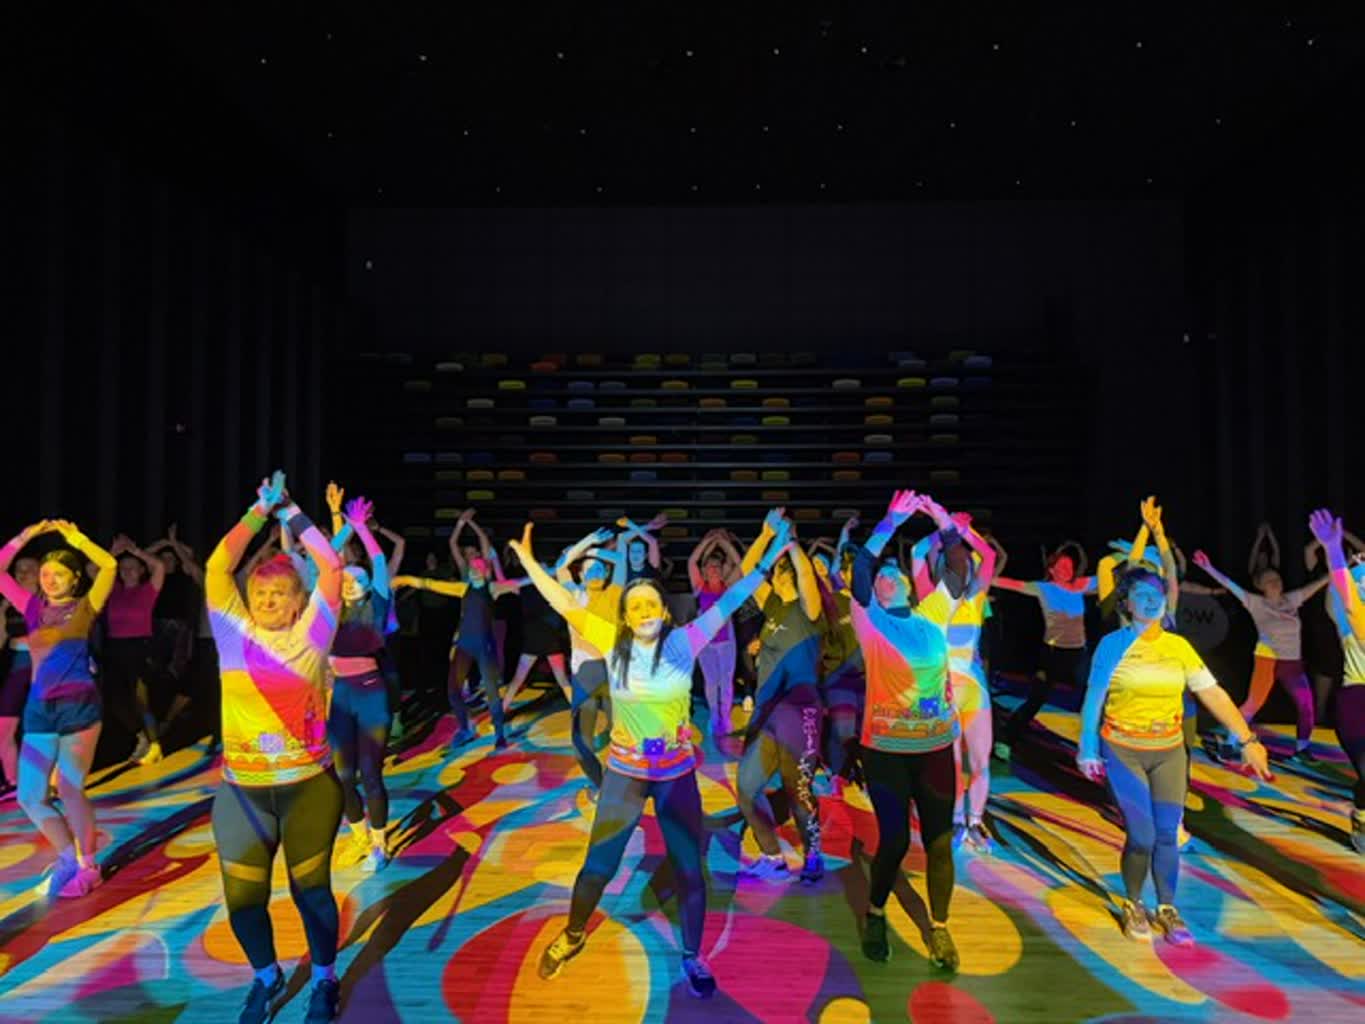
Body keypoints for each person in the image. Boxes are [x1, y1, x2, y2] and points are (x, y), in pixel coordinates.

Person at [510, 514, 791, 998]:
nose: (643, 609)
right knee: (598, 867)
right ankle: (573, 933)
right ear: (625, 616)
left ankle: (692, 955)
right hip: (625, 774)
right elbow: (560, 599)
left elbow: (733, 598)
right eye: (635, 604)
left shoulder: (686, 641)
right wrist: (527, 561)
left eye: (651, 603)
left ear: (664, 612)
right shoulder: (610, 641)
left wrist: (768, 559)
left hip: (676, 776)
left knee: (689, 870)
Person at [205, 471, 344, 1023]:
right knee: (242, 900)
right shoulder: (232, 635)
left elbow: (331, 567)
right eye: (259, 593)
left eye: (278, 594)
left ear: (297, 603)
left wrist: (290, 512)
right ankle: (267, 977)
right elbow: (218, 567)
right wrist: (256, 512)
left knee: (311, 891)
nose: (266, 600)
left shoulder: (314, 635)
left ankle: (326, 979)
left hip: (307, 788)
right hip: (242, 793)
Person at [1077, 567, 1273, 944]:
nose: (1152, 600)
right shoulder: (1112, 645)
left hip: (1168, 753)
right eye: (1142, 594)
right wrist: (1086, 748)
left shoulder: (1179, 647)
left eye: (1157, 593)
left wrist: (1248, 740)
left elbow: (1212, 693)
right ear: (1126, 603)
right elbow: (1093, 700)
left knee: (1168, 834)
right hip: (1123, 751)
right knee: (1142, 836)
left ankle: (1167, 907)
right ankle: (1134, 903)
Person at [850, 491, 959, 970]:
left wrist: (943, 521)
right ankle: (875, 913)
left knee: (939, 842)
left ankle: (940, 927)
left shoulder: (933, 617)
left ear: (912, 588)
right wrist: (890, 522)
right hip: (886, 751)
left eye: (896, 575)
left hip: (935, 749)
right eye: (883, 577)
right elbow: (861, 568)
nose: (888, 578)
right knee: (894, 840)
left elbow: (958, 570)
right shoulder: (869, 621)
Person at [0, 520, 116, 899]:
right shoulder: (33, 607)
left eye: (59, 574)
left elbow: (110, 566)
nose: (50, 580)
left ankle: (89, 867)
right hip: (40, 711)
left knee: (69, 788)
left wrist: (76, 539)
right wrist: (26, 536)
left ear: (75, 579)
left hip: (78, 711)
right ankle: (67, 856)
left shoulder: (85, 607)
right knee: (29, 795)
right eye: (45, 573)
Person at [735, 509, 826, 884]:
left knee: (798, 792)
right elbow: (746, 570)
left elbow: (806, 576)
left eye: (782, 570)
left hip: (800, 714)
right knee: (746, 788)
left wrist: (791, 544)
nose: (778, 574)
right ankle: (772, 854)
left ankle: (813, 854)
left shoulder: (809, 610)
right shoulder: (772, 603)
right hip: (767, 714)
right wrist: (764, 534)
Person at [910, 497, 998, 853]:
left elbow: (988, 556)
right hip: (940, 690)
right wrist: (940, 529)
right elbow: (917, 552)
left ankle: (975, 820)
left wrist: (964, 530)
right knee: (951, 763)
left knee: (980, 761)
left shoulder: (977, 598)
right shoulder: (930, 597)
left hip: (973, 688)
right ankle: (957, 820)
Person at [391, 509, 519, 748]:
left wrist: (552, 573)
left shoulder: (492, 588)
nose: (473, 568)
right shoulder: (462, 587)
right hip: (464, 643)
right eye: (472, 567)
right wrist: (405, 579)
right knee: (453, 690)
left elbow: (526, 581)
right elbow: (430, 584)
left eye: (478, 566)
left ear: (485, 571)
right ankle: (465, 727)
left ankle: (500, 733)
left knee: (492, 692)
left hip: (484, 646)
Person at [1191, 540, 1328, 760]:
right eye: (1269, 580)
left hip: (1292, 662)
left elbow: (1319, 583)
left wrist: (1342, 568)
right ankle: (1230, 743)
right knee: (1253, 705)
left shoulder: (1292, 599)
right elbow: (1231, 585)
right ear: (1260, 586)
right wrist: (1208, 568)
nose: (1275, 583)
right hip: (1267, 659)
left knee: (1306, 705)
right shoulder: (1256, 603)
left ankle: (1302, 748)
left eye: (1277, 579)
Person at [328, 497, 397, 872]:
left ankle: (380, 845)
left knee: (371, 773)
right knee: (341, 776)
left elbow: (380, 561)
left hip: (371, 693)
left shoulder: (378, 603)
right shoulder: (332, 608)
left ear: (369, 584)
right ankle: (359, 837)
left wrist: (361, 528)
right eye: (346, 578)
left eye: (358, 578)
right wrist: (344, 529)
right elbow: (325, 560)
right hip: (341, 695)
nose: (351, 582)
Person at [992, 540, 1098, 759]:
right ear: (1051, 570)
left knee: (1092, 696)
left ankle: (1093, 746)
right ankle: (1005, 739)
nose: (1066, 570)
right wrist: (983, 579)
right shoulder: (1044, 589)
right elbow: (1011, 583)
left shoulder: (1080, 585)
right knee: (1036, 699)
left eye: (1069, 566)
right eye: (1061, 566)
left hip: (1078, 654)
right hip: (1052, 654)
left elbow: (1110, 577)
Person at [1306, 509, 1365, 853]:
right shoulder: (1355, 617)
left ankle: (1360, 811)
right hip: (1357, 699)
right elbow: (1346, 599)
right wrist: (1333, 550)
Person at [554, 527, 625, 789]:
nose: (594, 571)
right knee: (581, 743)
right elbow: (561, 567)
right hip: (585, 678)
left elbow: (620, 560)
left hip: (613, 676)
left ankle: (619, 784)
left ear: (605, 574)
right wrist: (588, 541)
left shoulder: (613, 593)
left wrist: (593, 550)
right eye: (588, 569)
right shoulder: (576, 596)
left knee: (624, 738)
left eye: (599, 569)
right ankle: (602, 784)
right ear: (581, 576)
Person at [101, 534, 167, 764]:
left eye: (132, 568)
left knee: (141, 699)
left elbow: (159, 566)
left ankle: (155, 745)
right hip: (115, 648)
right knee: (114, 699)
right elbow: (95, 569)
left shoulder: (148, 590)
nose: (127, 571)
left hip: (140, 647)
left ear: (141, 571)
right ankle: (142, 737)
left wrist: (135, 550)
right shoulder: (113, 589)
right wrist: (114, 553)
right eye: (123, 568)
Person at [687, 528, 743, 738]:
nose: (714, 569)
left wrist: (723, 542)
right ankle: (714, 715)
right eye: (710, 566)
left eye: (717, 566)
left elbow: (739, 564)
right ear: (704, 570)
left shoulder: (728, 587)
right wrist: (708, 540)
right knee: (711, 682)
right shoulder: (699, 586)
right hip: (706, 643)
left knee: (726, 681)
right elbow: (692, 561)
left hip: (726, 641)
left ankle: (725, 716)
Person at [0, 554, 39, 799]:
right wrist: (1, 611)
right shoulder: (9, 604)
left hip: (40, 667)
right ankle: (12, 782)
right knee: (3, 725)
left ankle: (47, 783)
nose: (23, 573)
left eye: (29, 569)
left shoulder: (47, 601)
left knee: (38, 728)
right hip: (16, 665)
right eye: (19, 569)